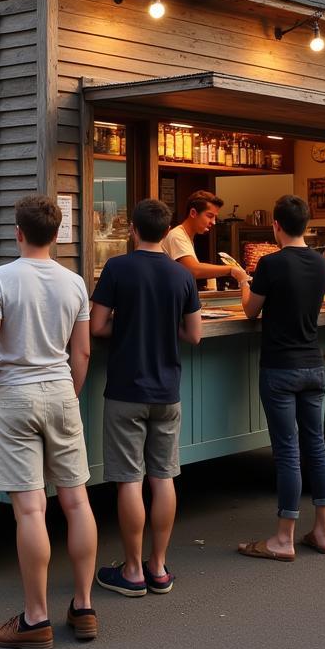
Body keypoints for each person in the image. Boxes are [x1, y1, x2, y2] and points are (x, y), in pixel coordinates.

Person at [0, 194, 99, 649]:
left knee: (31, 510)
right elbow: (82, 352)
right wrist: (70, 392)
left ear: (18, 232)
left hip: (15, 396)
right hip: (62, 392)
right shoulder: (74, 283)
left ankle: (36, 619)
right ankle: (83, 608)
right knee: (77, 502)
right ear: (58, 232)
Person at [89, 199, 202, 597]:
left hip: (125, 390)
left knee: (129, 481)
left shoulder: (117, 268)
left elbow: (98, 326)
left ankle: (133, 570)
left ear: (133, 231)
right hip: (167, 391)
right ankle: (158, 567)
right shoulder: (181, 276)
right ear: (166, 230)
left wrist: (126, 320)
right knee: (164, 477)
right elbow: (194, 334)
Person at [237, 194, 325, 560]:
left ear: (275, 225)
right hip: (312, 365)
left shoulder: (269, 264)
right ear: (305, 225)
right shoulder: (322, 265)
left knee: (288, 452)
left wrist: (243, 280)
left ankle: (283, 538)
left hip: (279, 367)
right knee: (316, 446)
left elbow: (250, 311)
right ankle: (322, 531)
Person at [162, 190, 250, 287]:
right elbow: (193, 270)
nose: (213, 222)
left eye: (215, 217)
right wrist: (231, 269)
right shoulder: (177, 235)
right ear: (193, 213)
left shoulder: (187, 236)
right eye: (209, 216)